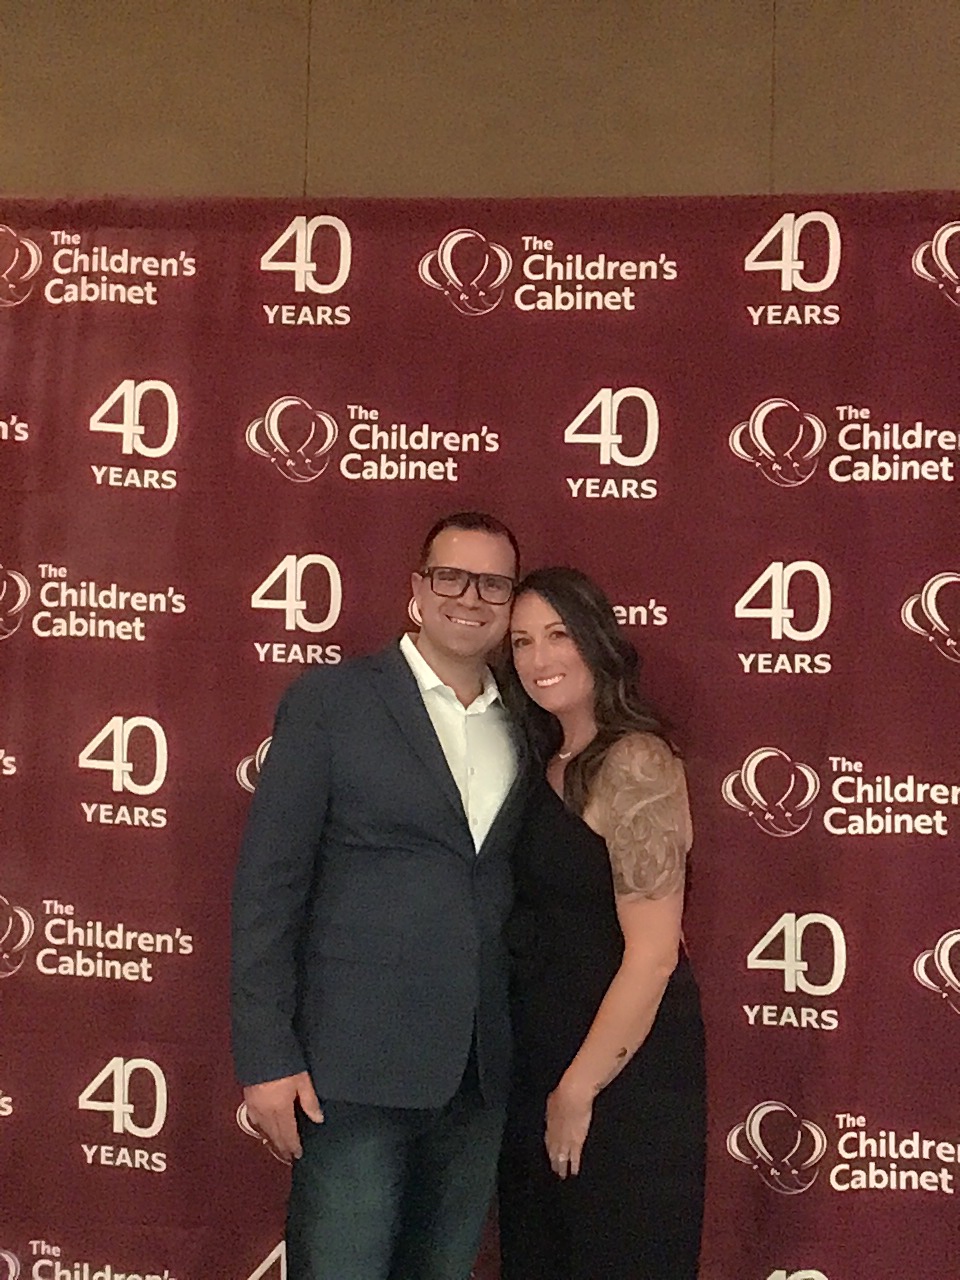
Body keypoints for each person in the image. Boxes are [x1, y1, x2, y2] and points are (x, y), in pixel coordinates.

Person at [231, 511, 531, 1280]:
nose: (470, 597)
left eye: (493, 584)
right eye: (451, 577)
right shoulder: (333, 701)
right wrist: (266, 1054)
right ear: (416, 590)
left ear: (511, 602)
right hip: (351, 1070)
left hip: (478, 1075)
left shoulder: (528, 720)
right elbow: (269, 886)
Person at [497, 567, 706, 1280]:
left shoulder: (637, 761)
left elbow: (654, 955)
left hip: (623, 1075)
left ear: (596, 641)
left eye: (558, 635)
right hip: (539, 1057)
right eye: (522, 641)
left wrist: (578, 1089)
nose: (539, 658)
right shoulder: (538, 760)